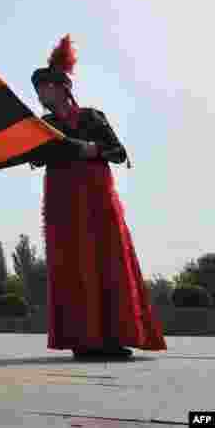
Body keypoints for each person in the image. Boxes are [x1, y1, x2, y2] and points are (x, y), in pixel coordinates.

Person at [30, 35, 165, 359]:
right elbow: (33, 158)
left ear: (61, 87)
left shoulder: (92, 118)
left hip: (97, 202)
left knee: (105, 262)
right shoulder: (44, 126)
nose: (40, 95)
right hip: (62, 204)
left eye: (44, 88)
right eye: (37, 91)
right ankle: (82, 340)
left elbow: (119, 153)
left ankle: (111, 338)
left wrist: (95, 150)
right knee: (71, 266)